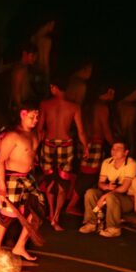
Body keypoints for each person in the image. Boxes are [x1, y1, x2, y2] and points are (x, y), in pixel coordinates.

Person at [0, 105, 44, 261]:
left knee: (37, 212)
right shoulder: (13, 136)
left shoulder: (35, 134)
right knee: (6, 217)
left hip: (27, 178)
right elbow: (0, 161)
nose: (35, 120)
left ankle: (19, 246)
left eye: (37, 117)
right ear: (23, 114)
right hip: (11, 178)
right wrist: (2, 185)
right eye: (32, 117)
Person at [38, 79, 84, 230]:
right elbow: (81, 131)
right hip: (65, 146)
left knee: (51, 182)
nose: (50, 88)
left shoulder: (45, 104)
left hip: (48, 144)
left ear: (55, 87)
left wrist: (35, 148)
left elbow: (39, 129)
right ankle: (55, 217)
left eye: (51, 86)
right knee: (62, 184)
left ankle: (52, 214)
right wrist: (85, 147)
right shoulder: (74, 106)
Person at [78, 140, 136, 237]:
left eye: (118, 149)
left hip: (126, 200)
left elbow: (124, 188)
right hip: (109, 193)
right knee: (90, 193)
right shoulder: (107, 162)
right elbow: (100, 183)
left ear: (126, 152)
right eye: (113, 149)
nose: (114, 151)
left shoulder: (131, 164)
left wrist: (103, 197)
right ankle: (91, 223)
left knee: (111, 197)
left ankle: (114, 228)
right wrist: (107, 186)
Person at [8, 44, 38, 111]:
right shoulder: (20, 69)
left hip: (25, 102)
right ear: (24, 53)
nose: (34, 59)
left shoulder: (24, 67)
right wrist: (20, 106)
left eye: (36, 56)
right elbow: (16, 89)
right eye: (32, 56)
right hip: (21, 104)